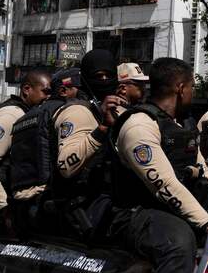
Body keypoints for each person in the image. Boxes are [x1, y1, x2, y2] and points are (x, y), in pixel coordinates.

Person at [110, 57, 208, 273]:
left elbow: (206, 178)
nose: (193, 93)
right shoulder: (138, 125)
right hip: (133, 214)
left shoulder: (179, 127)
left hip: (166, 209)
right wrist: (206, 223)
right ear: (180, 87)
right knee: (176, 239)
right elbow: (163, 185)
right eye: (192, 87)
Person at [9, 50, 126, 238]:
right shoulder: (77, 112)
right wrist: (102, 130)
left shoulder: (102, 109)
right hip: (70, 214)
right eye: (98, 76)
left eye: (108, 76)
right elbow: (66, 166)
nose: (104, 81)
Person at [0, 70, 51, 233]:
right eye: (45, 91)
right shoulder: (10, 115)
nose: (48, 97)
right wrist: (5, 210)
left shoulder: (27, 114)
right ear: (27, 89)